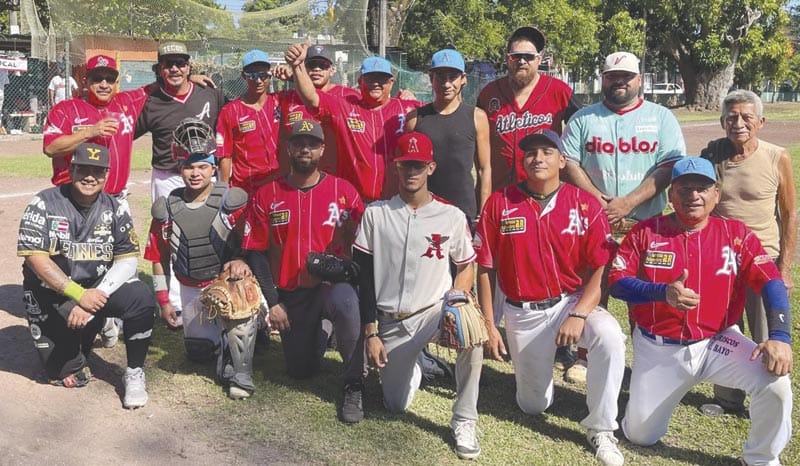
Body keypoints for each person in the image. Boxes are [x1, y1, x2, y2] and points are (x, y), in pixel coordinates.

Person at [608, 157, 793, 466]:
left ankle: (761, 458)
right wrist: (661, 293)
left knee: (775, 382)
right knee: (641, 435)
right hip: (660, 348)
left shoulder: (735, 234)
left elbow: (771, 281)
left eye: (702, 188)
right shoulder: (646, 231)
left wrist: (780, 336)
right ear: (671, 195)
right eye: (684, 189)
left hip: (717, 341)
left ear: (716, 195)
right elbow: (616, 282)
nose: (693, 196)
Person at [475, 130, 626, 466]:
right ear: (522, 161)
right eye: (530, 153)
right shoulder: (500, 202)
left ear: (562, 161)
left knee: (609, 336)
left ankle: (601, 428)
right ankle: (539, 381)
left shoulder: (584, 204)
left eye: (547, 152)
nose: (538, 158)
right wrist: (489, 323)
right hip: (523, 311)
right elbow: (485, 267)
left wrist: (580, 313)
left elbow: (601, 267)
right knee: (533, 405)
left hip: (570, 300)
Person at [353, 132, 484, 459]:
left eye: (418, 165)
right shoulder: (376, 214)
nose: (412, 171)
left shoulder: (451, 215)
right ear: (396, 167)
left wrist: (458, 297)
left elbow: (466, 265)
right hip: (391, 322)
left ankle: (465, 419)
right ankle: (418, 364)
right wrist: (370, 332)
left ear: (431, 167)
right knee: (394, 404)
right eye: (405, 164)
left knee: (471, 334)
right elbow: (363, 278)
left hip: (433, 311)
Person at [560, 51, 686, 383]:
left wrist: (628, 202)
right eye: (612, 76)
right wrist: (598, 199)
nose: (619, 82)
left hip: (646, 222)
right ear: (603, 79)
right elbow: (568, 161)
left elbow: (669, 166)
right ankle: (585, 356)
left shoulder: (660, 117)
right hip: (595, 220)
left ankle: (646, 361)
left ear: (639, 80)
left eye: (626, 76)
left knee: (644, 292)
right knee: (593, 286)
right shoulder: (584, 118)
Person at [238, 119, 365, 421]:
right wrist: (274, 302)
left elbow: (364, 245)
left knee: (346, 303)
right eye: (298, 143)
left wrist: (355, 276)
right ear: (289, 148)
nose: (305, 149)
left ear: (322, 149)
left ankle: (354, 383)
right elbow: (256, 252)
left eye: (312, 144)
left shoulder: (344, 191)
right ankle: (323, 331)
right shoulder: (267, 194)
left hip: (331, 286)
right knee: (300, 371)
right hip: (291, 294)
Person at [17, 142, 156, 409]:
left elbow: (127, 261)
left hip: (96, 288)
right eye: (83, 169)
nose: (90, 177)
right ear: (71, 170)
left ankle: (134, 371)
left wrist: (95, 297)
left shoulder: (116, 207)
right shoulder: (43, 202)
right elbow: (35, 259)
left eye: (98, 171)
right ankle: (88, 330)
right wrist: (78, 295)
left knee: (140, 297)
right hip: (52, 293)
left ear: (106, 175)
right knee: (66, 372)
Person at [144, 118, 256, 399]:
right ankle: (223, 340)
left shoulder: (230, 201)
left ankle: (245, 354)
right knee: (198, 352)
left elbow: (253, 243)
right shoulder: (167, 208)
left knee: (240, 299)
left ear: (213, 168)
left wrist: (243, 260)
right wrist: (164, 301)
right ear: (179, 168)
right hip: (191, 287)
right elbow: (158, 256)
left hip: (226, 284)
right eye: (189, 166)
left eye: (202, 166)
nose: (195, 173)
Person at [700, 89, 797, 413]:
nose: (738, 123)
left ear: (761, 121)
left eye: (746, 117)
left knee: (765, 332)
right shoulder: (713, 155)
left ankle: (769, 399)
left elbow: (789, 214)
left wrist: (784, 270)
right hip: (723, 259)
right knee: (725, 329)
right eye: (731, 117)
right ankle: (726, 398)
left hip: (763, 259)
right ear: (722, 122)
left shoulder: (777, 156)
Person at [285, 42, 422, 202]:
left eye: (382, 79)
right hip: (354, 202)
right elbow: (311, 97)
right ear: (360, 81)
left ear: (391, 82)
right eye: (370, 78)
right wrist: (297, 66)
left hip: (397, 202)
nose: (375, 83)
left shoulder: (409, 108)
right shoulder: (344, 107)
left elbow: (439, 115)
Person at [477, 26, 580, 190]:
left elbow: (583, 131)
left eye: (529, 56)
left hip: (545, 190)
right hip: (500, 190)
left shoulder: (560, 91)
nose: (522, 61)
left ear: (540, 59)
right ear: (507, 58)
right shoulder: (489, 94)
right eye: (516, 56)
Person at [406, 48, 491, 229]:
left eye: (452, 77)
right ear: (431, 78)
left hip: (463, 212)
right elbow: (406, 168)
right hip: (423, 211)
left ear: (463, 79)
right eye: (440, 77)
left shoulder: (477, 117)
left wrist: (484, 214)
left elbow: (484, 169)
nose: (446, 84)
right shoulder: (415, 118)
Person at [135, 41, 226, 202]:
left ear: (188, 68)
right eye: (168, 64)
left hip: (205, 172)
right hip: (168, 178)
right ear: (160, 69)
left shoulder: (210, 94)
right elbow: (126, 135)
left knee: (210, 218)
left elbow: (233, 121)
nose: (175, 69)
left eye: (180, 63)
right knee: (166, 219)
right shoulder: (151, 103)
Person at [274, 43, 360, 175]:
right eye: (311, 65)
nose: (317, 69)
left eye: (323, 65)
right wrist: (294, 76)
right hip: (299, 176)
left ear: (332, 70)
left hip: (339, 176)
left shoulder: (348, 96)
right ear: (304, 67)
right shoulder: (288, 98)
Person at [215, 49, 282, 193]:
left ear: (270, 74)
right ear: (243, 76)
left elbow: (309, 97)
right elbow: (225, 155)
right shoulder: (230, 111)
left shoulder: (280, 102)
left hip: (278, 184)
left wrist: (292, 76)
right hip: (245, 188)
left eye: (263, 75)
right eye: (252, 75)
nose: (258, 80)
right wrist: (224, 191)